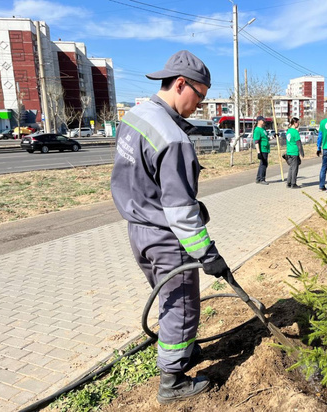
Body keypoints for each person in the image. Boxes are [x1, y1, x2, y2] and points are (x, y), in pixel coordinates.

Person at [110, 50, 231, 404]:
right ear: (181, 84)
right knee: (181, 305)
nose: (200, 106)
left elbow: (138, 177)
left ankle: (181, 351)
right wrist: (208, 254)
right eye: (200, 97)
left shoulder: (135, 116)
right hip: (166, 237)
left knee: (169, 300)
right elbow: (180, 211)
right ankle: (173, 381)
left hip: (138, 229)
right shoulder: (173, 138)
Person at [284, 117, 304, 188]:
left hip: (289, 151)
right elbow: (299, 143)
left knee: (291, 168)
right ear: (295, 123)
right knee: (295, 168)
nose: (298, 124)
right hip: (294, 152)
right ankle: (293, 183)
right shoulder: (295, 132)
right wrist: (302, 152)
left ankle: (288, 183)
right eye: (298, 123)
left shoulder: (288, 131)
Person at [253, 115, 270, 185]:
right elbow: (256, 141)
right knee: (264, 164)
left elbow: (266, 139)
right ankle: (262, 178)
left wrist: (274, 136)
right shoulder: (257, 130)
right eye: (262, 120)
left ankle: (258, 178)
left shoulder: (263, 129)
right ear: (259, 121)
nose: (264, 122)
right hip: (262, 149)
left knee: (263, 164)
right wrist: (258, 152)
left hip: (266, 149)